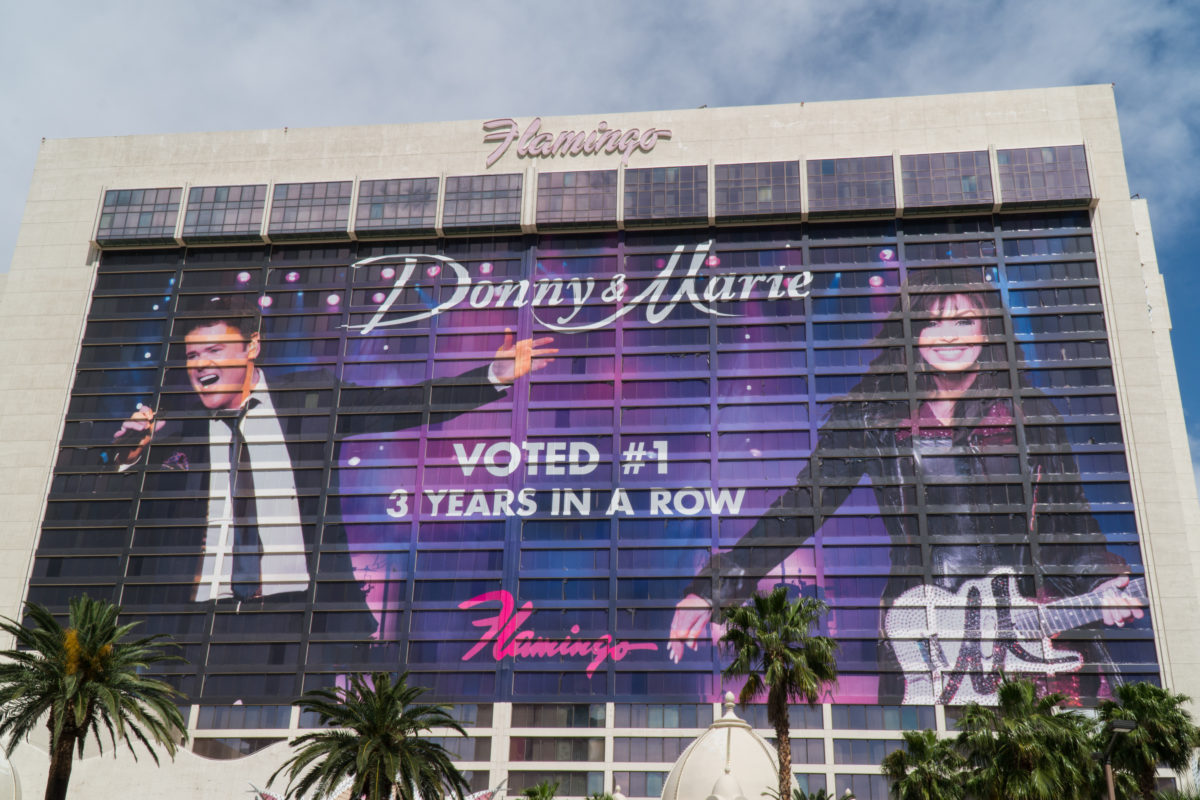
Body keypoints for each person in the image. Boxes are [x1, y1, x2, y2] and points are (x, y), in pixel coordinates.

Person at [667, 284, 1144, 703]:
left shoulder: (1030, 414)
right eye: (932, 322)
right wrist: (713, 588)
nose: (949, 335)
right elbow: (799, 508)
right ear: (911, 333)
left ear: (988, 328)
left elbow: (1072, 526)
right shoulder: (874, 416)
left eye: (964, 320)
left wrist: (1102, 582)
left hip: (1031, 630)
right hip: (922, 632)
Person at [107, 294, 555, 623]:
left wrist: (492, 375)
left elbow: (400, 404)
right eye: (192, 356)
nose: (200, 365)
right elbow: (124, 523)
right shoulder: (174, 425)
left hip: (302, 609)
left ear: (251, 347)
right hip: (201, 614)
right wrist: (130, 457)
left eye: (214, 351)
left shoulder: (310, 396)